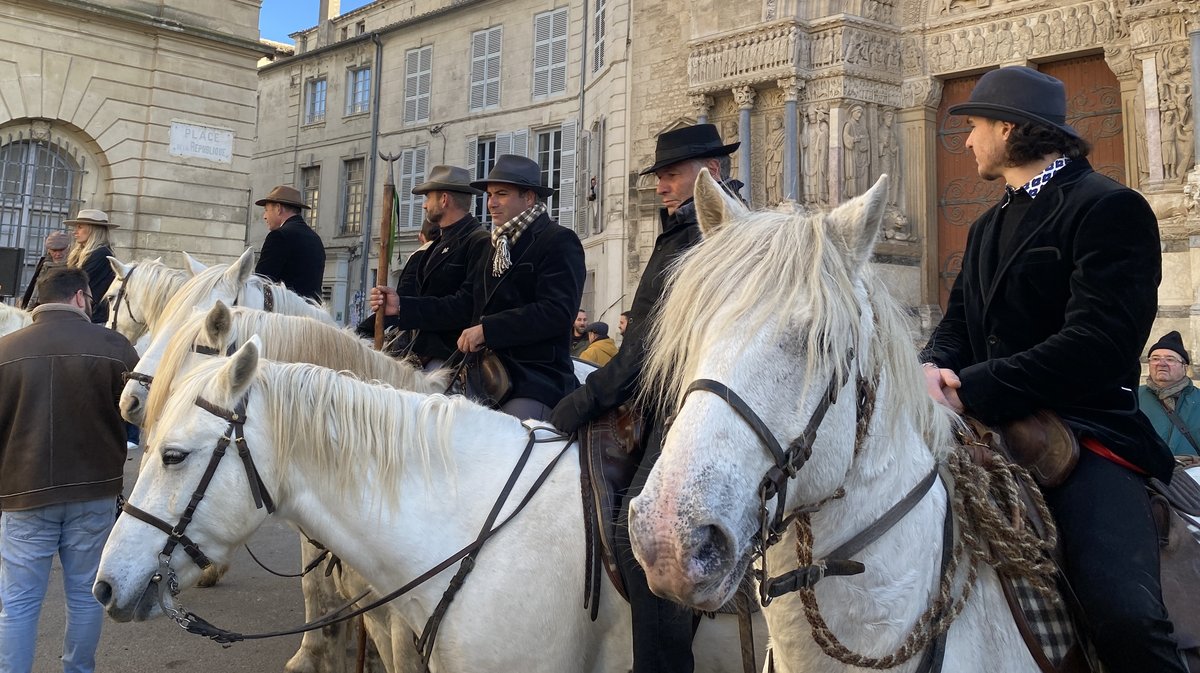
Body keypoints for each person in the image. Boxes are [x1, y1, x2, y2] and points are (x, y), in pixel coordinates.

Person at [919, 66, 1185, 673]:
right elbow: (960, 323)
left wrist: (976, 388)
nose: (966, 141)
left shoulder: (1111, 207)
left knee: (1125, 615)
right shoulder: (987, 225)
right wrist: (931, 368)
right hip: (980, 433)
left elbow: (1098, 342)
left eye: (976, 126)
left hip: (1085, 435)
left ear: (1010, 128)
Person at [550, 123, 741, 673]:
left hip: (687, 402)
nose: (661, 185)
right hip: (673, 394)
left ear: (711, 170)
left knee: (646, 543)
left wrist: (583, 403)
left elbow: (647, 348)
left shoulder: (704, 236)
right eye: (659, 175)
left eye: (671, 174)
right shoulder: (691, 228)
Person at [0, 266, 139, 673]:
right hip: (94, 492)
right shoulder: (116, 346)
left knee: (18, 601)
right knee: (83, 595)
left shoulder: (5, 351)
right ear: (80, 297)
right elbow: (135, 420)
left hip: (23, 492)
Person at [424, 154, 583, 420]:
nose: (491, 203)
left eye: (501, 194)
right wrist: (403, 307)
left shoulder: (559, 241)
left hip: (534, 378)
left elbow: (557, 312)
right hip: (482, 373)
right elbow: (465, 304)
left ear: (529, 197)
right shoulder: (493, 245)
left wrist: (488, 330)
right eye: (489, 195)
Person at [364, 165, 490, 369]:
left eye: (428, 198)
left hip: (451, 357)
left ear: (444, 199)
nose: (424, 205)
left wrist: (403, 306)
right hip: (420, 350)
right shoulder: (437, 244)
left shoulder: (479, 241)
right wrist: (395, 305)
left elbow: (464, 306)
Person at [253, 185, 326, 302]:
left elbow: (261, 282)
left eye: (266, 210)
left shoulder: (279, 236)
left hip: (286, 314)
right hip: (312, 314)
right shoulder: (315, 238)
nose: (264, 216)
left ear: (278, 208)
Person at [1139, 331, 1200, 457]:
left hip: (1192, 473)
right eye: (1155, 359)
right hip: (1143, 474)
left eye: (1170, 359)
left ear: (1185, 367)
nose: (1161, 364)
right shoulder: (1133, 398)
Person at [64, 210, 118, 324]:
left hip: (94, 318)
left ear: (93, 231)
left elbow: (76, 282)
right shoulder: (81, 253)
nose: (75, 232)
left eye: (80, 227)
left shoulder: (102, 253)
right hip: (82, 314)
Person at [19, 230, 70, 309]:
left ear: (67, 248)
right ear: (48, 250)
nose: (58, 254)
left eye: (61, 250)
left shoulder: (73, 265)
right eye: (54, 250)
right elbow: (36, 288)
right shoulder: (44, 263)